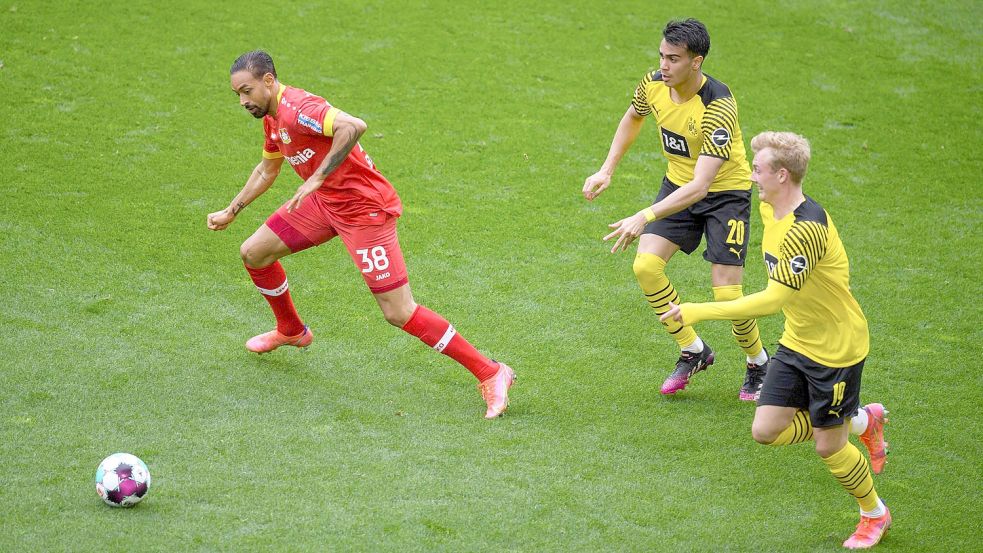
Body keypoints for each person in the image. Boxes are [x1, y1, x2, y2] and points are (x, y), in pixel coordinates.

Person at [207, 51, 514, 419]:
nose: (243, 101)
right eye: (237, 94)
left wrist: (318, 176)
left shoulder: (298, 106)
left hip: (364, 211)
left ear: (269, 81)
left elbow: (353, 125)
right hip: (324, 204)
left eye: (247, 91)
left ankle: (491, 372)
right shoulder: (273, 120)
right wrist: (232, 209)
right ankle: (291, 330)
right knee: (254, 252)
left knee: (398, 312)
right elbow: (266, 170)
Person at [662, 132, 891, 549]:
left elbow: (772, 300)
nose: (752, 177)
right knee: (766, 430)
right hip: (798, 341)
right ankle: (860, 419)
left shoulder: (806, 230)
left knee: (829, 448)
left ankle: (874, 513)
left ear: (782, 175)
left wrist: (696, 310)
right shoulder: (772, 211)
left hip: (837, 350)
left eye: (759, 169)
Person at [584, 18, 768, 399]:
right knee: (646, 266)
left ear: (696, 61)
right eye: (662, 56)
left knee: (727, 295)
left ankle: (758, 362)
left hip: (724, 194)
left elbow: (702, 186)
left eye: (674, 59)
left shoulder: (718, 106)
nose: (663, 66)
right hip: (678, 185)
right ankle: (693, 350)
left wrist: (644, 215)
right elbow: (634, 116)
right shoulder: (653, 83)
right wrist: (607, 169)